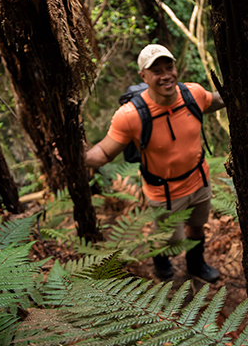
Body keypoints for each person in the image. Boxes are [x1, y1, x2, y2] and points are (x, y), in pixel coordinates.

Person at [85, 44, 225, 283]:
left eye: (168, 67)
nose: (166, 75)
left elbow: (215, 100)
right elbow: (104, 153)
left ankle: (196, 264)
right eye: (156, 71)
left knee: (198, 226)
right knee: (169, 238)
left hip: (200, 180)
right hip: (164, 192)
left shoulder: (193, 94)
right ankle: (161, 261)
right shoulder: (130, 115)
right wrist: (74, 156)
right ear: (144, 76)